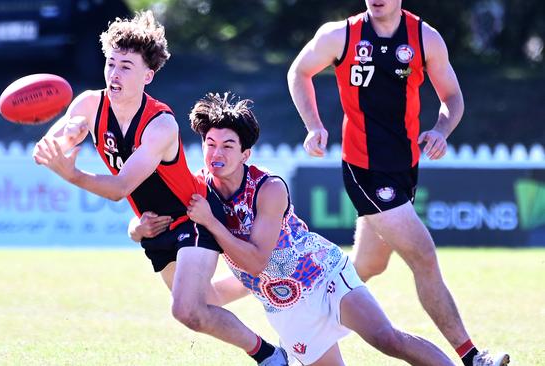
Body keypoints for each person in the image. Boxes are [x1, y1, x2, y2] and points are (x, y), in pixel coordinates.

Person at [32, 11, 287, 365]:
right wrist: (58, 140)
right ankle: (257, 280)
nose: (114, 74)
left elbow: (121, 186)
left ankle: (271, 356)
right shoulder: (88, 105)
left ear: (147, 75)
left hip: (193, 214)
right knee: (205, 303)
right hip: (155, 226)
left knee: (187, 311)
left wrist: (72, 174)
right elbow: (49, 145)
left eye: (125, 66)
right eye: (110, 64)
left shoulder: (161, 124)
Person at [132, 92, 458, 365]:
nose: (216, 153)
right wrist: (138, 229)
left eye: (228, 146)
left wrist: (211, 223)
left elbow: (257, 261)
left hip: (321, 275)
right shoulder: (198, 190)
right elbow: (153, 216)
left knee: (386, 339)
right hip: (282, 303)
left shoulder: (269, 188)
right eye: (210, 144)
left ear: (245, 153)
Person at [286, 1, 509, 365]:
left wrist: (441, 129)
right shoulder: (339, 35)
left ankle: (299, 323)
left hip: (404, 169)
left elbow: (452, 97)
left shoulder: (425, 39)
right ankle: (473, 356)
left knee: (368, 265)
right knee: (423, 254)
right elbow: (299, 72)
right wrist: (313, 125)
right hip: (364, 170)